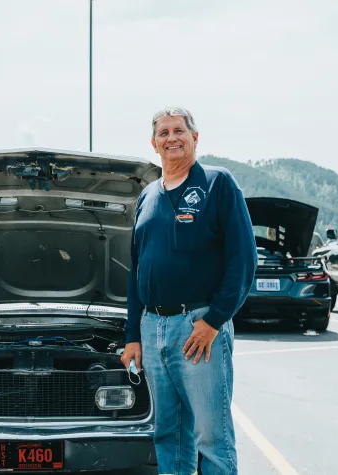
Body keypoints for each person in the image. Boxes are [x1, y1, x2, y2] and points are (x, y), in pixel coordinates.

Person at [121, 107, 258, 475]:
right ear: (154, 144)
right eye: (163, 133)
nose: (171, 138)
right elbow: (136, 271)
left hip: (198, 327)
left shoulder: (217, 184)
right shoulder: (147, 196)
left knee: (211, 437)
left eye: (179, 131)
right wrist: (133, 334)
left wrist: (213, 321)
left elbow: (243, 260)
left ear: (195, 137)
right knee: (168, 433)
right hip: (153, 329)